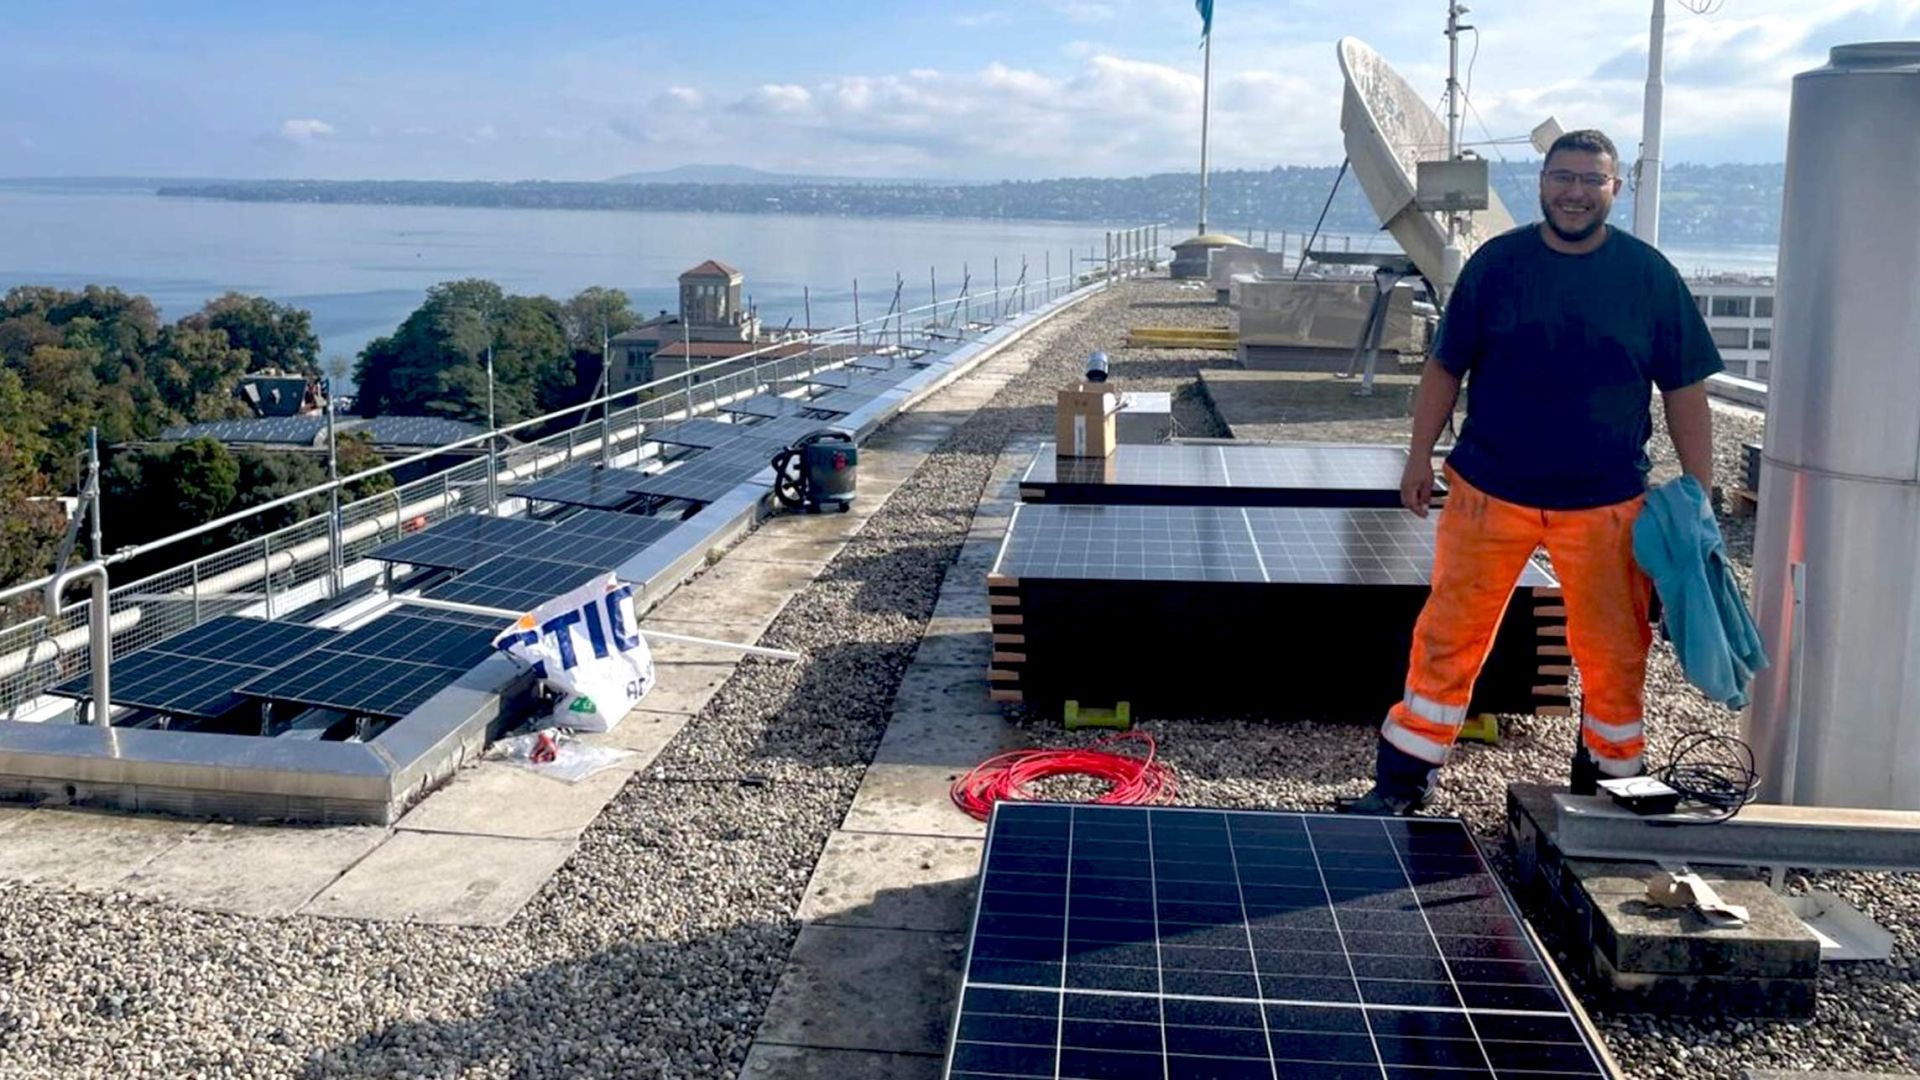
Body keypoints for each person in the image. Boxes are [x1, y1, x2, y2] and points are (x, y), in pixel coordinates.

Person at [1337, 129, 1723, 816]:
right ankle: (1402, 782)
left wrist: (1699, 490)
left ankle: (1609, 777)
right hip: (1489, 490)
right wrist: (1418, 455)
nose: (1575, 192)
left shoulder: (1648, 276)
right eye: (1563, 177)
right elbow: (1445, 367)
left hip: (1605, 501)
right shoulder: (1497, 265)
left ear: (1615, 190)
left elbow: (1686, 390)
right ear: (1543, 182)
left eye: (1591, 181)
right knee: (1448, 637)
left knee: (1614, 650)